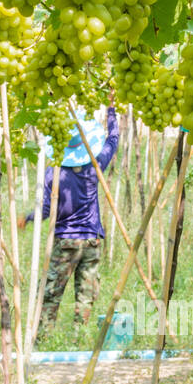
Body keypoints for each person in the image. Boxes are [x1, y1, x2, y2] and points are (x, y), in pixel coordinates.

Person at [20, 97, 119, 345]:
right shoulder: (94, 167)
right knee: (85, 295)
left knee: (52, 293)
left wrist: (29, 219)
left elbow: (45, 209)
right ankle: (79, 340)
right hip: (92, 240)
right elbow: (113, 142)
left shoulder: (53, 172)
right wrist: (111, 111)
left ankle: (42, 338)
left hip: (66, 241)